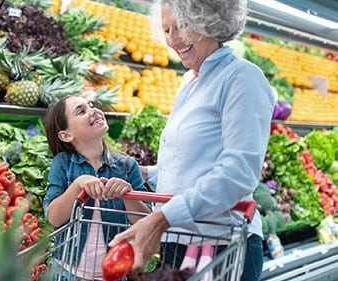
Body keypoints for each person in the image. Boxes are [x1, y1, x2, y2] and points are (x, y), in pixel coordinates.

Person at [109, 0, 275, 281]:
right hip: (178, 242)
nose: (172, 39)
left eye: (182, 26)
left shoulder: (242, 78)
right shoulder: (189, 83)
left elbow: (238, 173)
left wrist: (162, 219)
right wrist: (135, 171)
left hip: (223, 247)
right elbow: (185, 166)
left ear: (208, 20)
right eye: (166, 29)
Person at [43, 96, 151, 280]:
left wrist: (128, 195)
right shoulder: (62, 164)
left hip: (114, 274)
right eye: (81, 111)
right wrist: (78, 184)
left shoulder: (127, 166)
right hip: (68, 271)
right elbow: (53, 218)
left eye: (91, 105)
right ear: (66, 135)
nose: (93, 110)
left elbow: (145, 220)